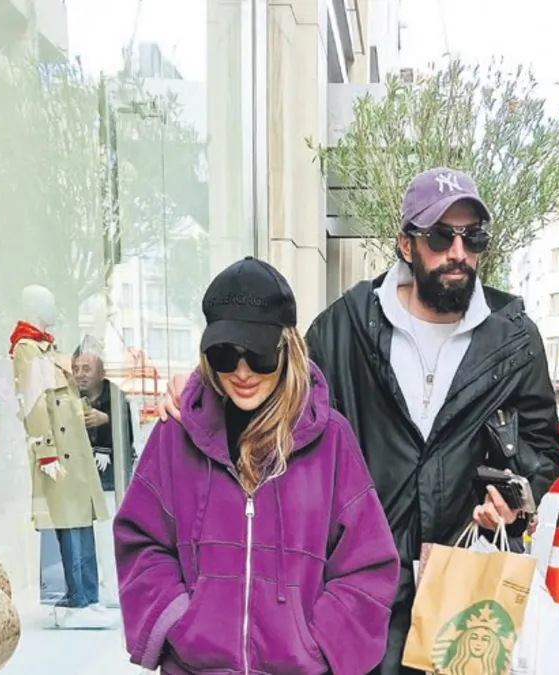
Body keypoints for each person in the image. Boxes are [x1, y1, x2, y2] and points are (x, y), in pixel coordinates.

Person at [161, 167, 559, 675]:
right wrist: (202, 387)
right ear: (406, 243)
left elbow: (541, 447)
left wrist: (512, 498)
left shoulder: (514, 338)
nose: (458, 252)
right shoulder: (345, 326)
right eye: (441, 237)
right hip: (360, 591)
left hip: (461, 588)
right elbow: (277, 396)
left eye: (473, 237)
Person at [116, 257, 400, 674]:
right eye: (225, 355)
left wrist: (318, 647)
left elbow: (368, 565)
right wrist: (178, 622)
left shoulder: (331, 440)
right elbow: (140, 540)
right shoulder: (175, 435)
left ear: (288, 348)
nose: (242, 371)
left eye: (259, 355)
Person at [72, 344, 137, 608]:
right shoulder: (69, 398)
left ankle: (114, 587)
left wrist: (107, 420)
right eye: (76, 368)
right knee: (84, 541)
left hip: (111, 484)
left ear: (101, 372)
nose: (80, 374)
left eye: (86, 368)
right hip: (79, 484)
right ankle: (90, 590)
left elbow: (127, 439)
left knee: (108, 537)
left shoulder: (117, 398)